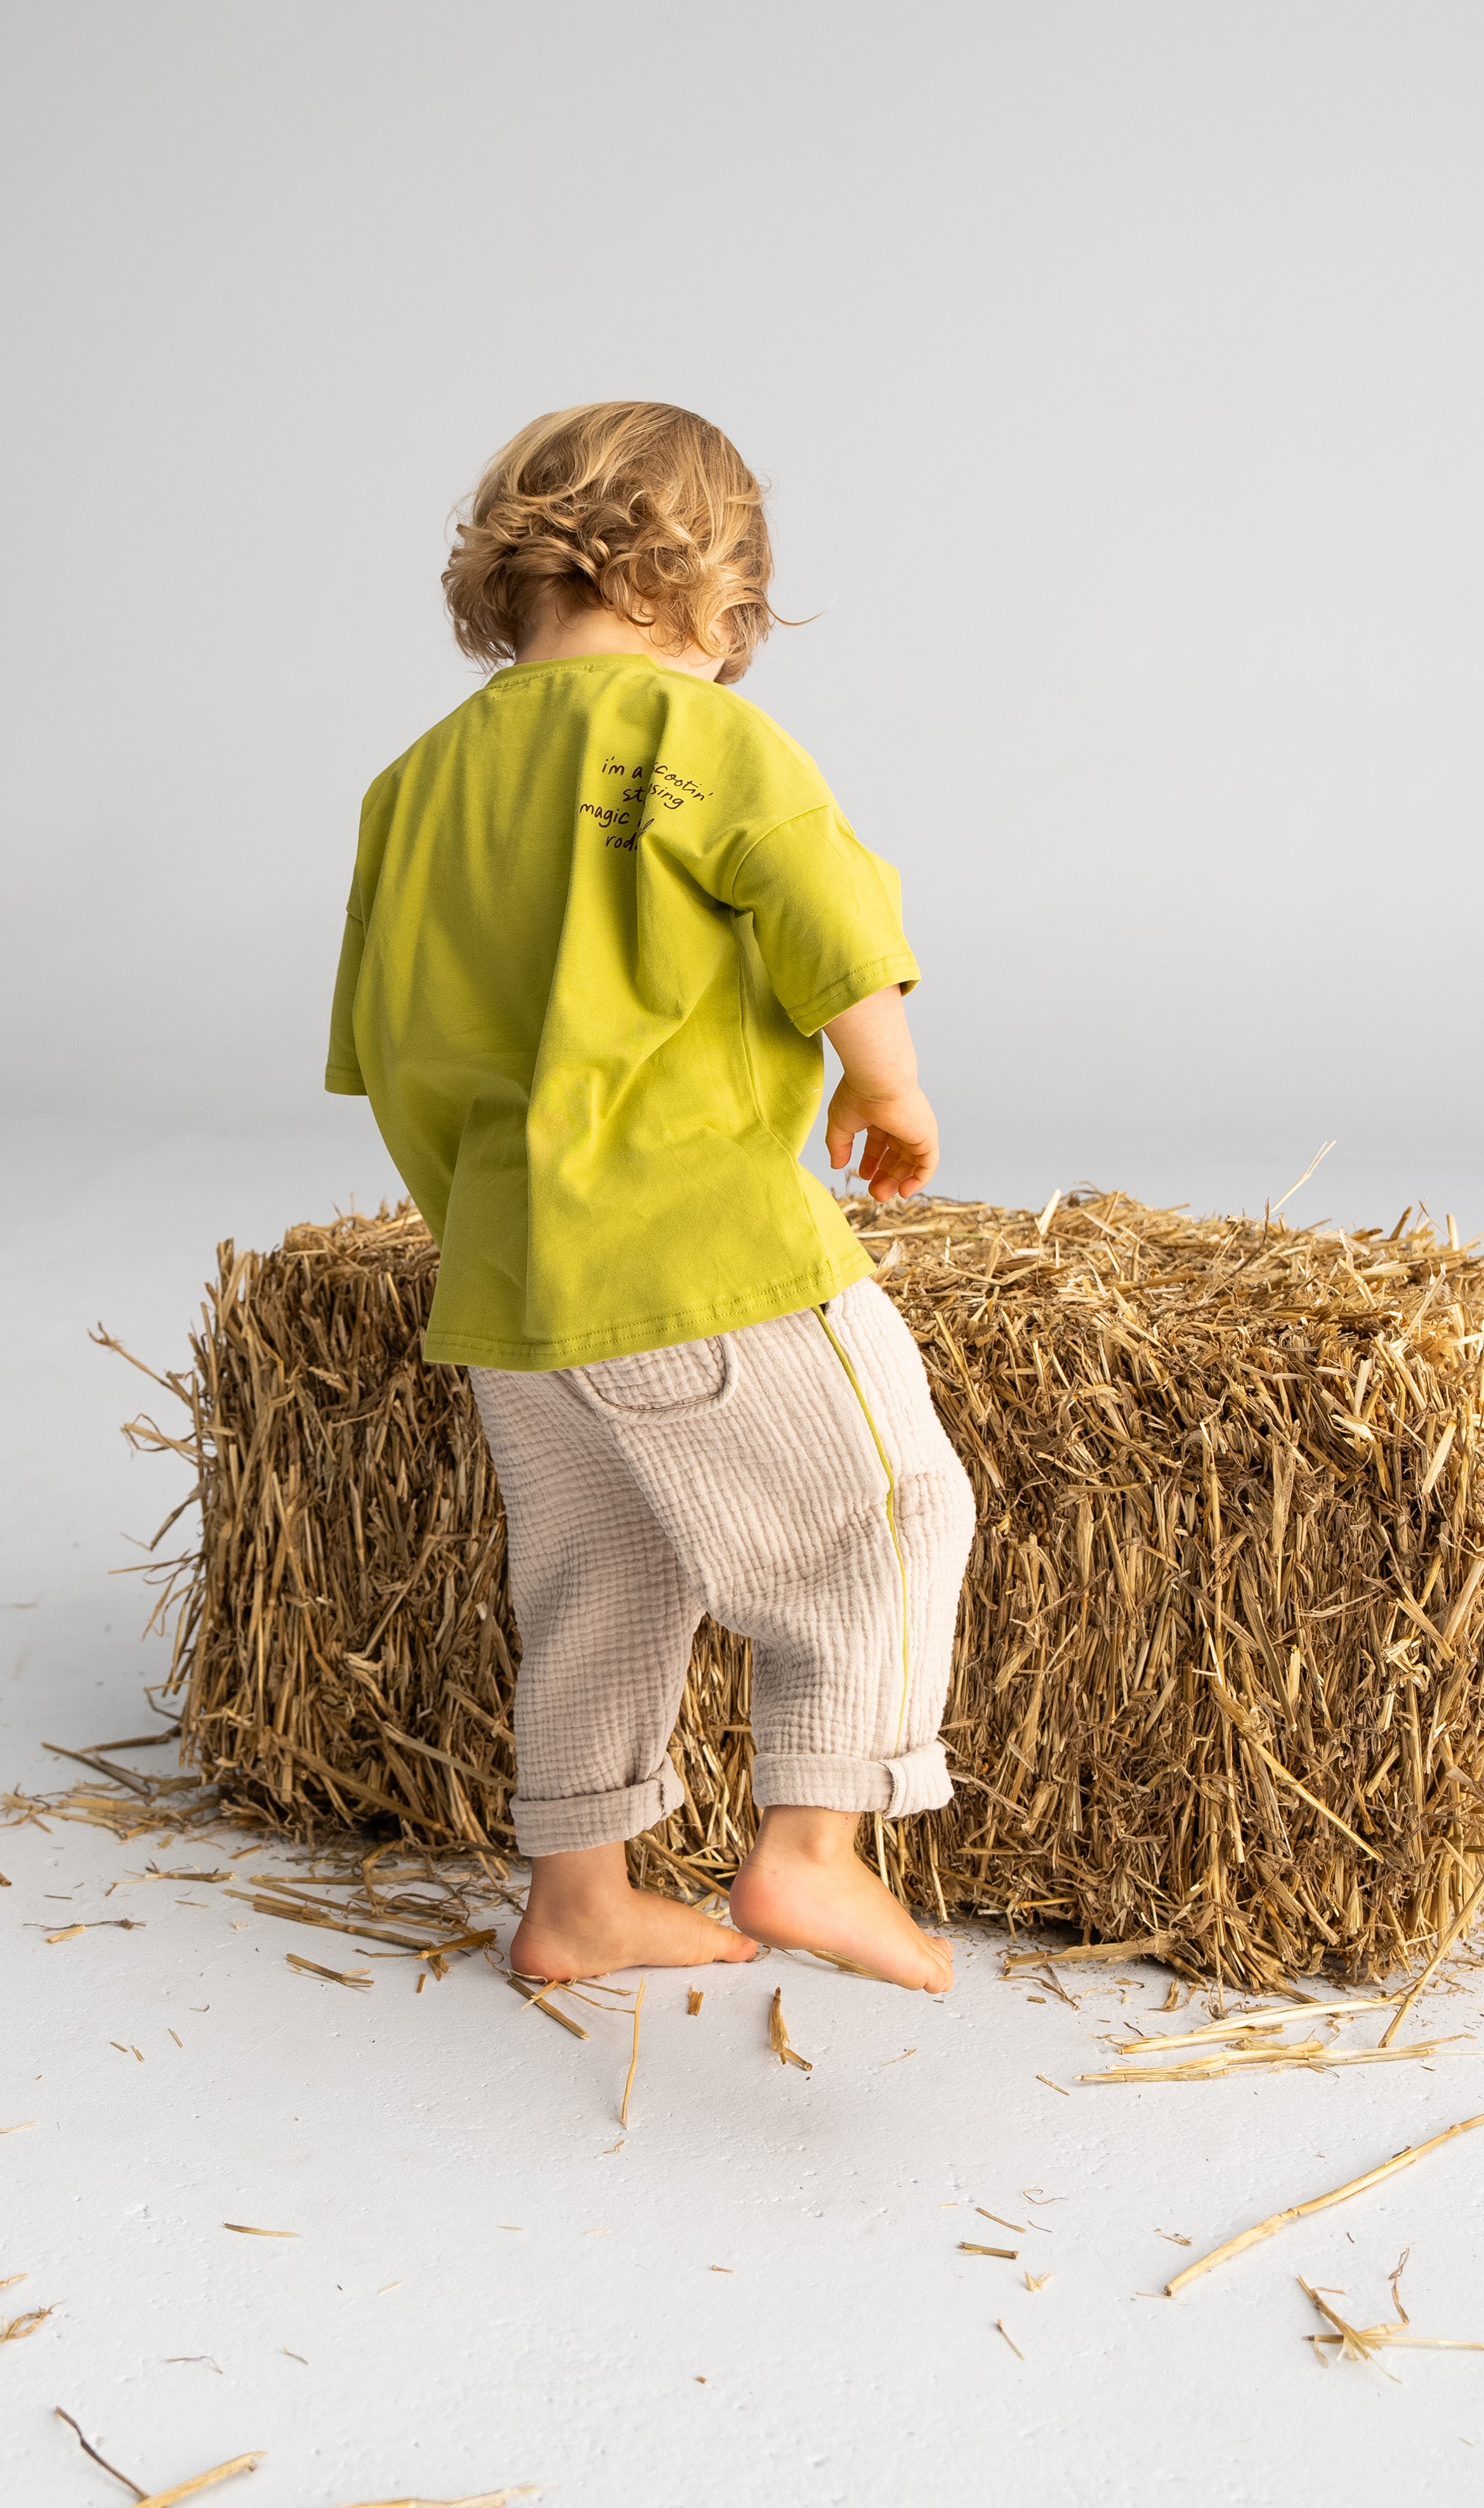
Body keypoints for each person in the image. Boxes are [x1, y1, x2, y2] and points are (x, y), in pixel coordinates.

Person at [326, 402, 975, 1991]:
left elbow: (389, 1048)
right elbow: (826, 911)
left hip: (509, 1291)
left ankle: (575, 1898)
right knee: (888, 1509)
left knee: (604, 1583)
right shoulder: (704, 738)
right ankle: (812, 1850)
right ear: (715, 589)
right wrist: (884, 1086)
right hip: (706, 1260)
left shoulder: (410, 790)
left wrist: (490, 1220)